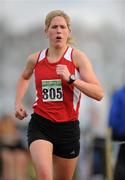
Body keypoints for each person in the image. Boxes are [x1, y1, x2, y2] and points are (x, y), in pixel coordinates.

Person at [14, 10, 104, 180]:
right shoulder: (35, 59)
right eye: (54, 27)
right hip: (41, 124)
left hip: (67, 128)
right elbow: (23, 77)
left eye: (63, 27)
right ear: (46, 31)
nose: (58, 31)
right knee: (45, 176)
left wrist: (71, 79)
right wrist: (17, 103)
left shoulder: (77, 58)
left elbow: (99, 93)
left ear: (68, 32)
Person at [108, 85, 125, 180]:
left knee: (120, 163)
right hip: (120, 136)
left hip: (120, 136)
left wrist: (113, 133)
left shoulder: (119, 94)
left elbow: (112, 118)